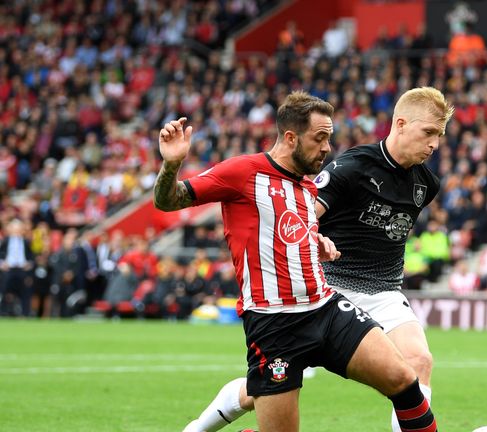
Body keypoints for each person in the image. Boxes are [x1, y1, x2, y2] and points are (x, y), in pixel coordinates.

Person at [154, 91, 438, 432]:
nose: (327, 149)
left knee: (406, 379)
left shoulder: (306, 187)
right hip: (276, 323)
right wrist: (171, 164)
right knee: (259, 400)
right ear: (291, 137)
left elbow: (295, 228)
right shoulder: (244, 172)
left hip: (326, 308)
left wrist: (315, 240)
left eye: (329, 139)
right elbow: (169, 201)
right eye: (320, 139)